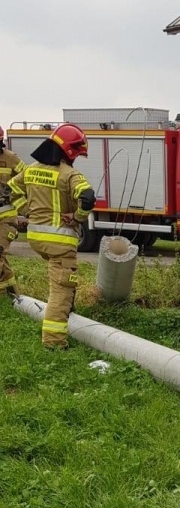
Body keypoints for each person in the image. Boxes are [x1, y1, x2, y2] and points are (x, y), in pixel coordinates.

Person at [9, 123, 95, 348]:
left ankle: (69, 310)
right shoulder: (69, 175)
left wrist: (27, 211)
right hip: (60, 241)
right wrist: (77, 217)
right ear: (69, 151)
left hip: (36, 238)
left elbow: (11, 190)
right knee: (61, 290)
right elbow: (87, 197)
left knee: (62, 279)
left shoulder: (31, 169)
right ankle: (54, 342)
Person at [0, 126, 26, 296]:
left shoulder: (11, 158)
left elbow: (28, 178)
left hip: (6, 217)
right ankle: (13, 295)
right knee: (2, 258)